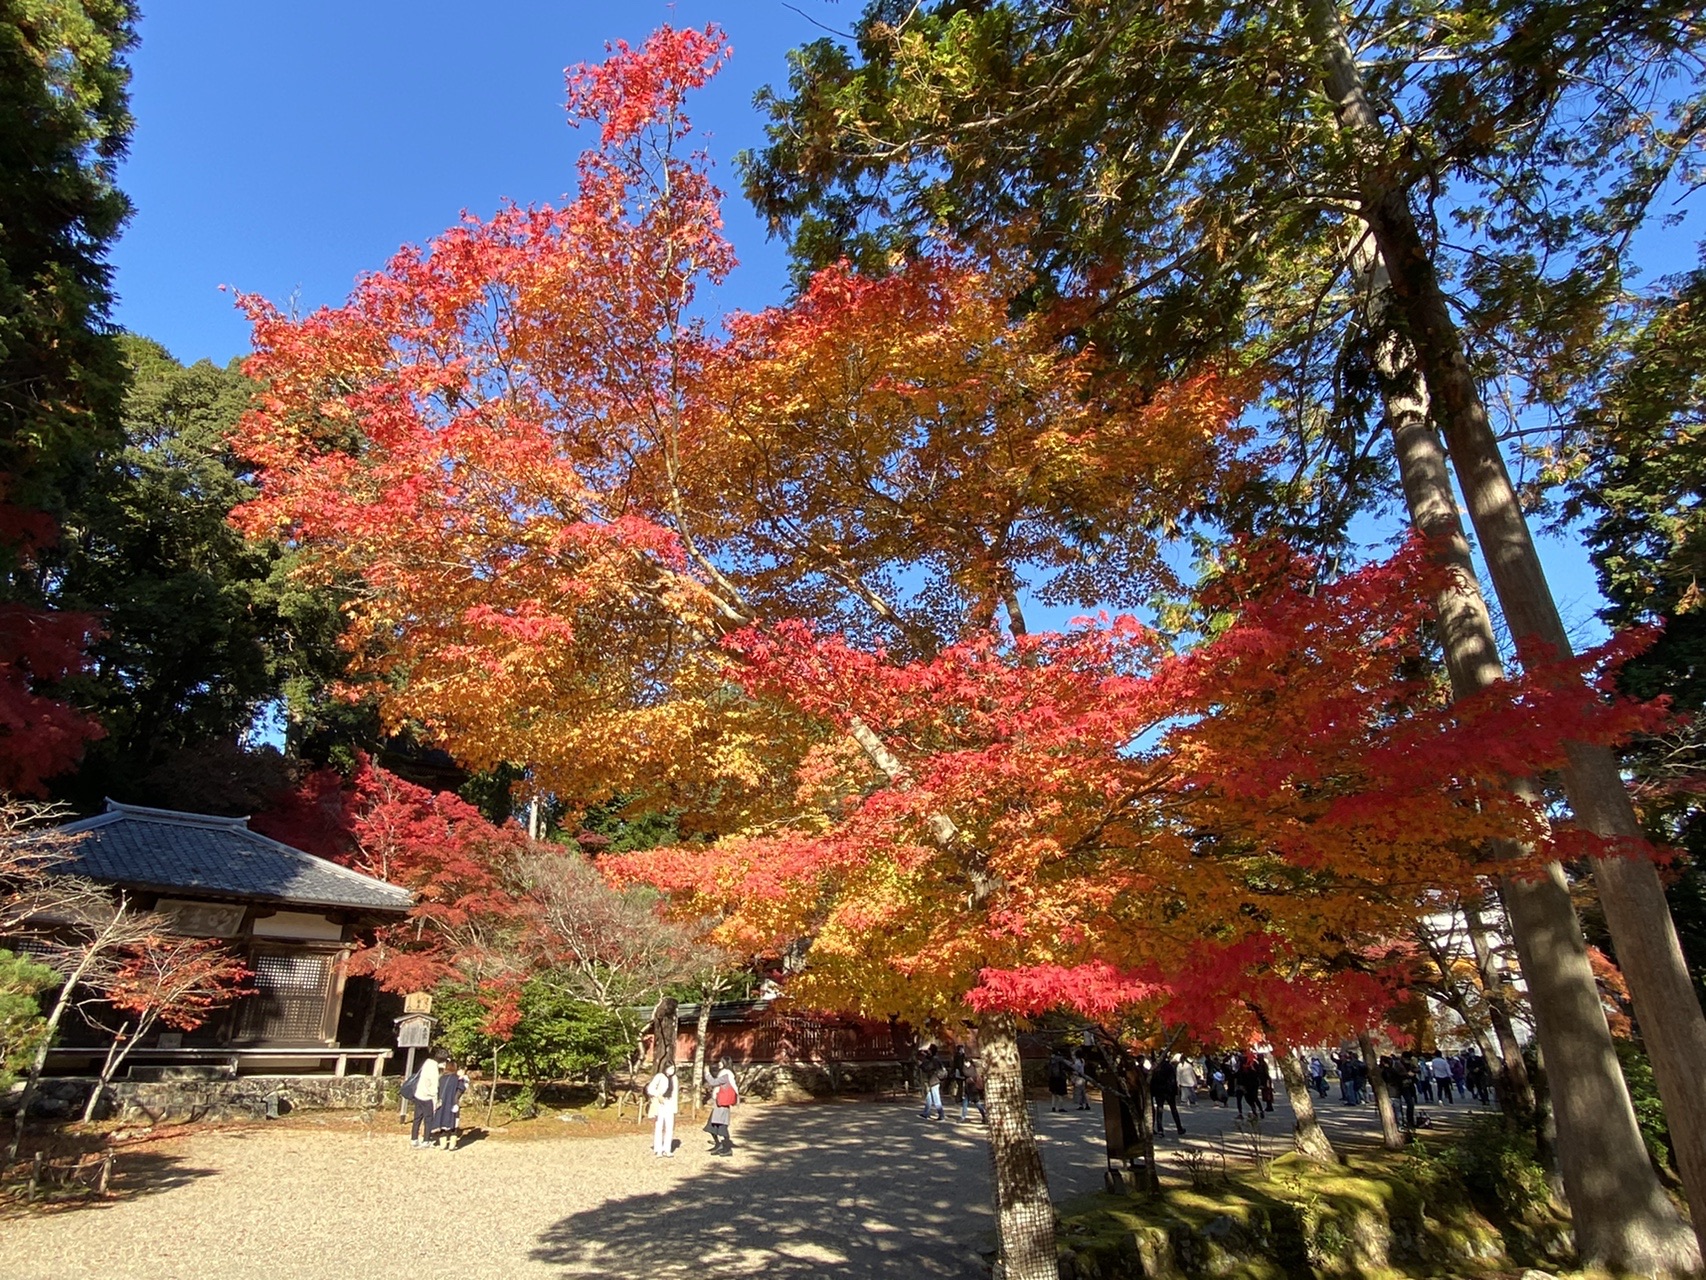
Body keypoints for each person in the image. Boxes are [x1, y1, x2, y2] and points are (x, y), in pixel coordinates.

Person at [407, 1050, 442, 1149]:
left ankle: (414, 1139)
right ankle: (426, 1140)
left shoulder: (427, 1062)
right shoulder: (434, 1069)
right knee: (428, 1119)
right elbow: (434, 1086)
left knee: (417, 1118)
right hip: (427, 1097)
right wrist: (436, 1100)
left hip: (419, 1093)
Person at [704, 1058, 739, 1155]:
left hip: (722, 1104)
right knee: (712, 1126)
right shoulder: (725, 1074)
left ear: (725, 1063)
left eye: (721, 1062)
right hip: (719, 1103)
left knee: (721, 1127)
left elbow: (713, 1082)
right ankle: (719, 1145)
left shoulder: (726, 1074)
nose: (719, 1063)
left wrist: (707, 1073)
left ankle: (727, 1149)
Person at [434, 1057, 469, 1150]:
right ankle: (452, 1145)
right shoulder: (456, 1079)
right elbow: (462, 1088)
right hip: (453, 1103)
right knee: (453, 1124)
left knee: (442, 1124)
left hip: (442, 1104)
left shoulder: (441, 1078)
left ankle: (443, 1144)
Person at [646, 1062, 679, 1157]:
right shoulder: (659, 1076)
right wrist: (658, 1095)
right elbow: (650, 1089)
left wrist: (675, 1107)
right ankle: (658, 1149)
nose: (672, 1071)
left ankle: (667, 1149)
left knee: (669, 1127)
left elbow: (675, 1093)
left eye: (673, 1069)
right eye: (670, 1068)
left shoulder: (674, 1078)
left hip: (670, 1103)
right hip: (660, 1103)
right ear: (665, 1068)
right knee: (659, 1125)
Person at [1151, 1054, 1185, 1136]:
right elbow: (1172, 1079)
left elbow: (1153, 1080)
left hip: (1159, 1091)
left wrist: (1153, 1092)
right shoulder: (1169, 1066)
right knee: (1173, 1109)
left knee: (1159, 1110)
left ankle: (1160, 1130)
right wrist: (1174, 1091)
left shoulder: (1155, 1067)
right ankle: (1179, 1128)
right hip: (1168, 1092)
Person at [918, 1046, 946, 1121]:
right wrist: (925, 1055)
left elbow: (927, 1068)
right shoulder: (934, 1058)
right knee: (929, 1098)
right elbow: (928, 1060)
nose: (928, 1051)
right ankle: (926, 1113)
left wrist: (921, 1064)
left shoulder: (934, 1060)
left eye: (929, 1050)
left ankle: (941, 1115)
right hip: (932, 1080)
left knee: (936, 1099)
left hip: (934, 1081)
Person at [960, 1057, 987, 1123]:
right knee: (965, 1103)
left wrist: (964, 1068)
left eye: (966, 1062)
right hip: (968, 1089)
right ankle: (963, 1117)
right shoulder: (969, 1068)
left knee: (977, 1104)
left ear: (969, 1062)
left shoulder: (972, 1069)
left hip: (973, 1090)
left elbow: (966, 1073)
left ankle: (984, 1116)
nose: (965, 1064)